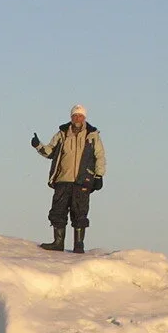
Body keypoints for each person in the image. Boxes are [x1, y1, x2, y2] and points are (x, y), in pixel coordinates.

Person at [31, 104, 106, 253]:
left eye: (80, 115)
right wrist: (38, 146)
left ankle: (79, 245)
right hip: (62, 180)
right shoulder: (62, 134)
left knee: (80, 212)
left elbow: (100, 156)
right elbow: (50, 151)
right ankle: (58, 242)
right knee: (58, 211)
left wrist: (99, 176)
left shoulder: (92, 135)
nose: (77, 118)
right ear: (71, 117)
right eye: (74, 115)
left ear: (84, 118)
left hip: (82, 181)